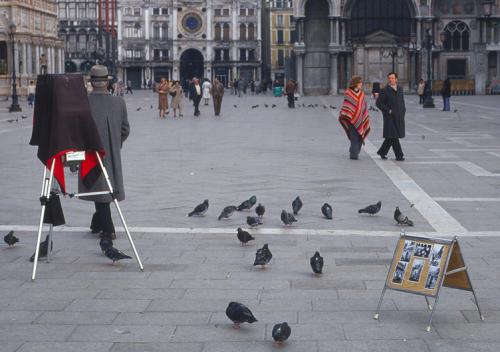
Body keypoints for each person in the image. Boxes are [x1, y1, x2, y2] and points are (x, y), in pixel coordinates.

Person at [79, 65, 130, 241]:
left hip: (91, 153)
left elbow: (77, 131)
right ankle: (97, 222)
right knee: (104, 185)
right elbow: (125, 129)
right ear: (108, 81)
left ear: (91, 82)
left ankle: (108, 229)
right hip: (112, 152)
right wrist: (115, 143)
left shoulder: (83, 102)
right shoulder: (119, 102)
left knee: (98, 184)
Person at [338, 76, 371, 160]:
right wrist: (349, 114)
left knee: (360, 135)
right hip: (351, 119)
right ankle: (354, 154)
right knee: (354, 137)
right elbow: (347, 105)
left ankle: (354, 151)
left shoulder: (362, 93)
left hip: (361, 118)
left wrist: (364, 115)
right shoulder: (348, 93)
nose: (361, 84)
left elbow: (364, 105)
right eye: (360, 82)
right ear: (355, 83)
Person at [376, 72, 406, 161]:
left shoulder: (400, 89)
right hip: (389, 117)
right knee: (394, 136)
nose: (391, 79)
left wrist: (403, 110)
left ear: (396, 79)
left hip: (399, 116)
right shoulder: (384, 90)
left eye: (392, 78)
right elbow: (378, 103)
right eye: (389, 78)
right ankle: (399, 155)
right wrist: (388, 110)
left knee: (390, 137)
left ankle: (382, 152)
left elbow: (402, 101)